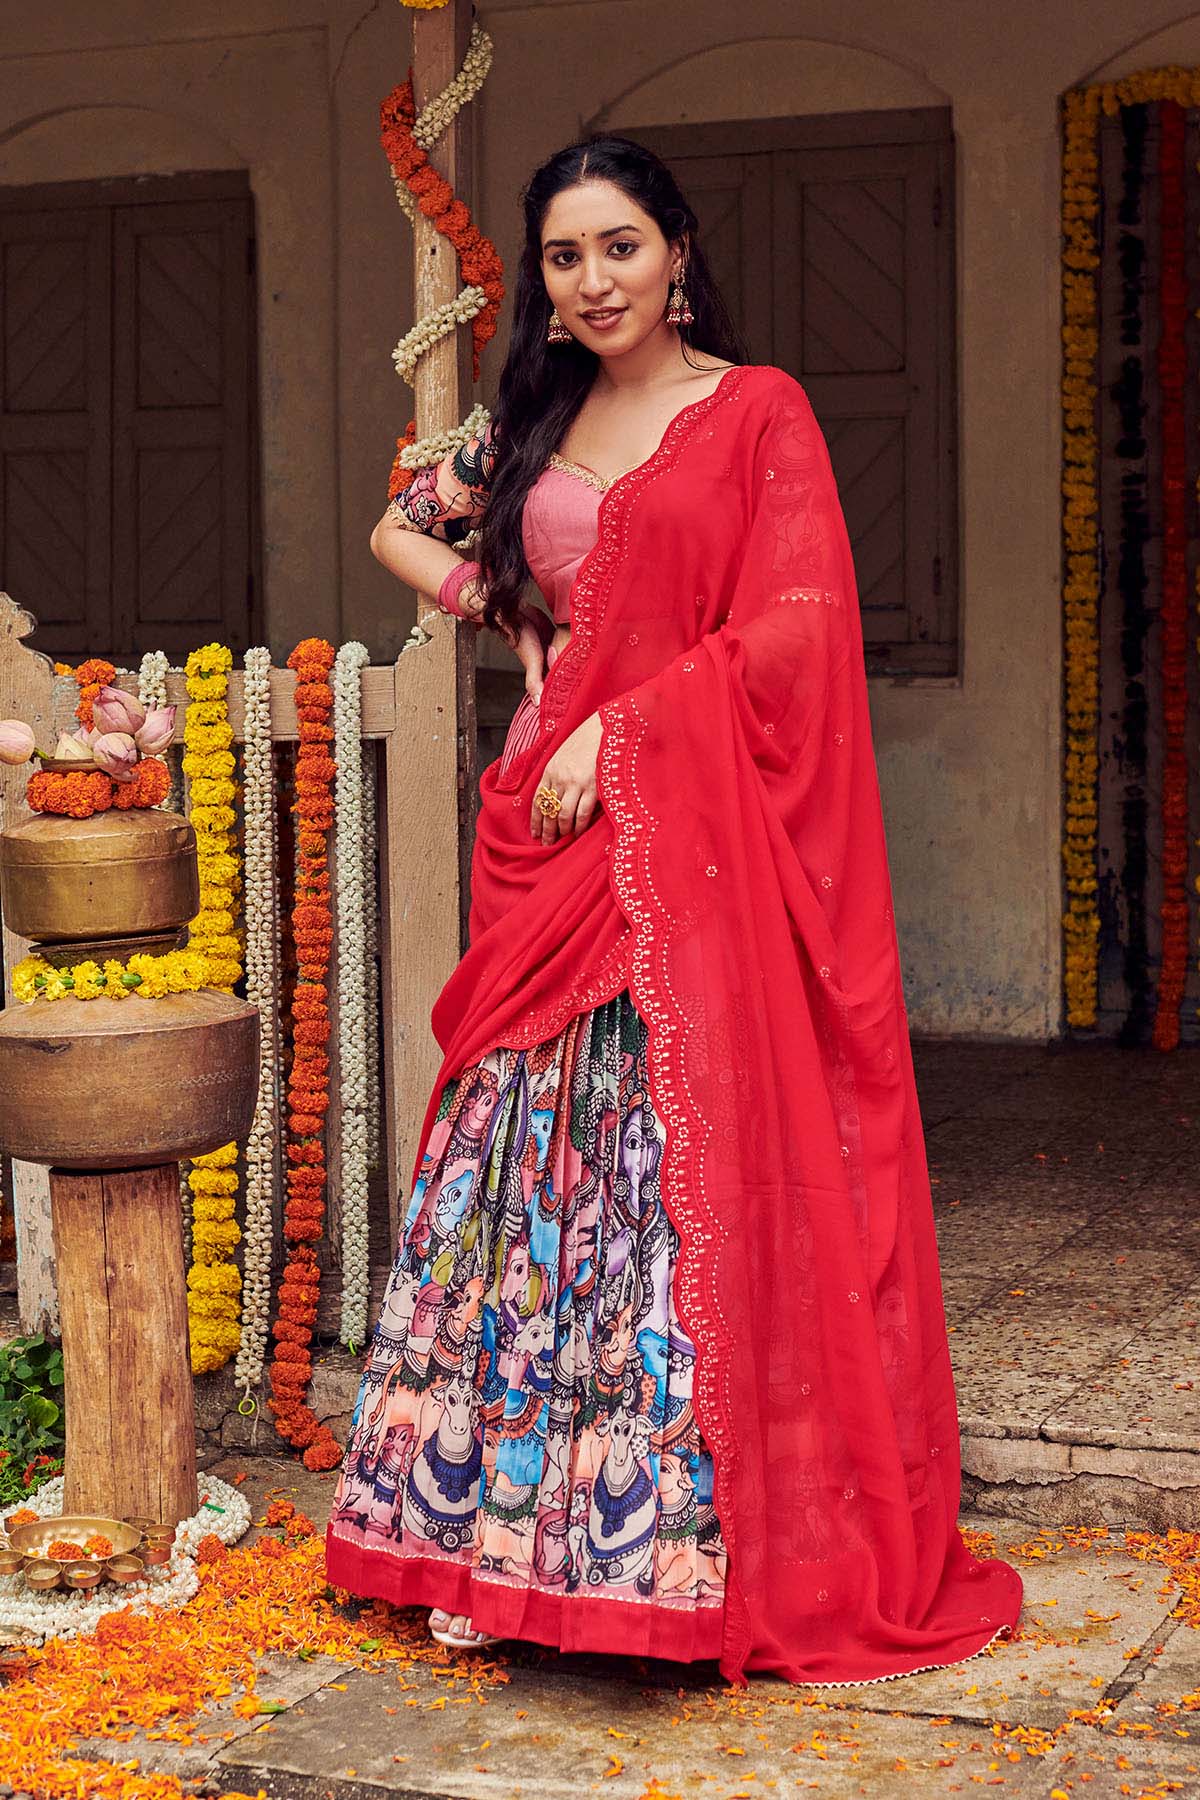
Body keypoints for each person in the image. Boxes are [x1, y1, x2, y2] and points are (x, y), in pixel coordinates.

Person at [326, 134, 1023, 1685]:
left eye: (620, 246)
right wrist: (505, 618)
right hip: (547, 827)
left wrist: (618, 729)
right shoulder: (530, 417)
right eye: (566, 257)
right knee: (514, 1162)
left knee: (661, 1169)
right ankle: (483, 1539)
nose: (593, 281)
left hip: (669, 829)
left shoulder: (756, 412)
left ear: (680, 249)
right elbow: (403, 526)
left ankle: (650, 1553)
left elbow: (796, 623)